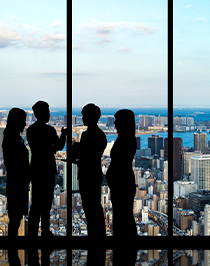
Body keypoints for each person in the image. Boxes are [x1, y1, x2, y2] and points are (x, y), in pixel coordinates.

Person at [26, 101, 68, 237]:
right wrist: (63, 135)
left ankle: (32, 232)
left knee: (36, 202)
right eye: (47, 112)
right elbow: (60, 146)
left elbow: (37, 148)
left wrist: (49, 148)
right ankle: (45, 230)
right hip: (48, 169)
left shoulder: (30, 130)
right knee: (46, 202)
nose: (49, 114)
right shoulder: (49, 130)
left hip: (36, 168)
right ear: (42, 113)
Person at [69, 103, 107, 237]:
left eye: (84, 115)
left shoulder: (87, 135)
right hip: (94, 173)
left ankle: (94, 236)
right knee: (95, 207)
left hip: (86, 174)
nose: (82, 118)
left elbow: (81, 154)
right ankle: (98, 235)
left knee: (90, 207)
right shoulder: (101, 135)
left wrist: (74, 147)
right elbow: (91, 155)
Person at [106, 109, 138, 237]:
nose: (115, 123)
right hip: (122, 181)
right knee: (123, 215)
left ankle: (124, 245)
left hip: (122, 183)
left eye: (117, 121)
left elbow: (119, 163)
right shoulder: (127, 139)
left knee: (122, 215)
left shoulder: (125, 140)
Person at [1, 108, 29, 237]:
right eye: (23, 121)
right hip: (18, 184)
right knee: (16, 219)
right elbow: (17, 165)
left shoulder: (10, 139)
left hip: (15, 183)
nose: (25, 124)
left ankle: (12, 251)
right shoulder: (13, 141)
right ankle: (13, 250)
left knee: (16, 219)